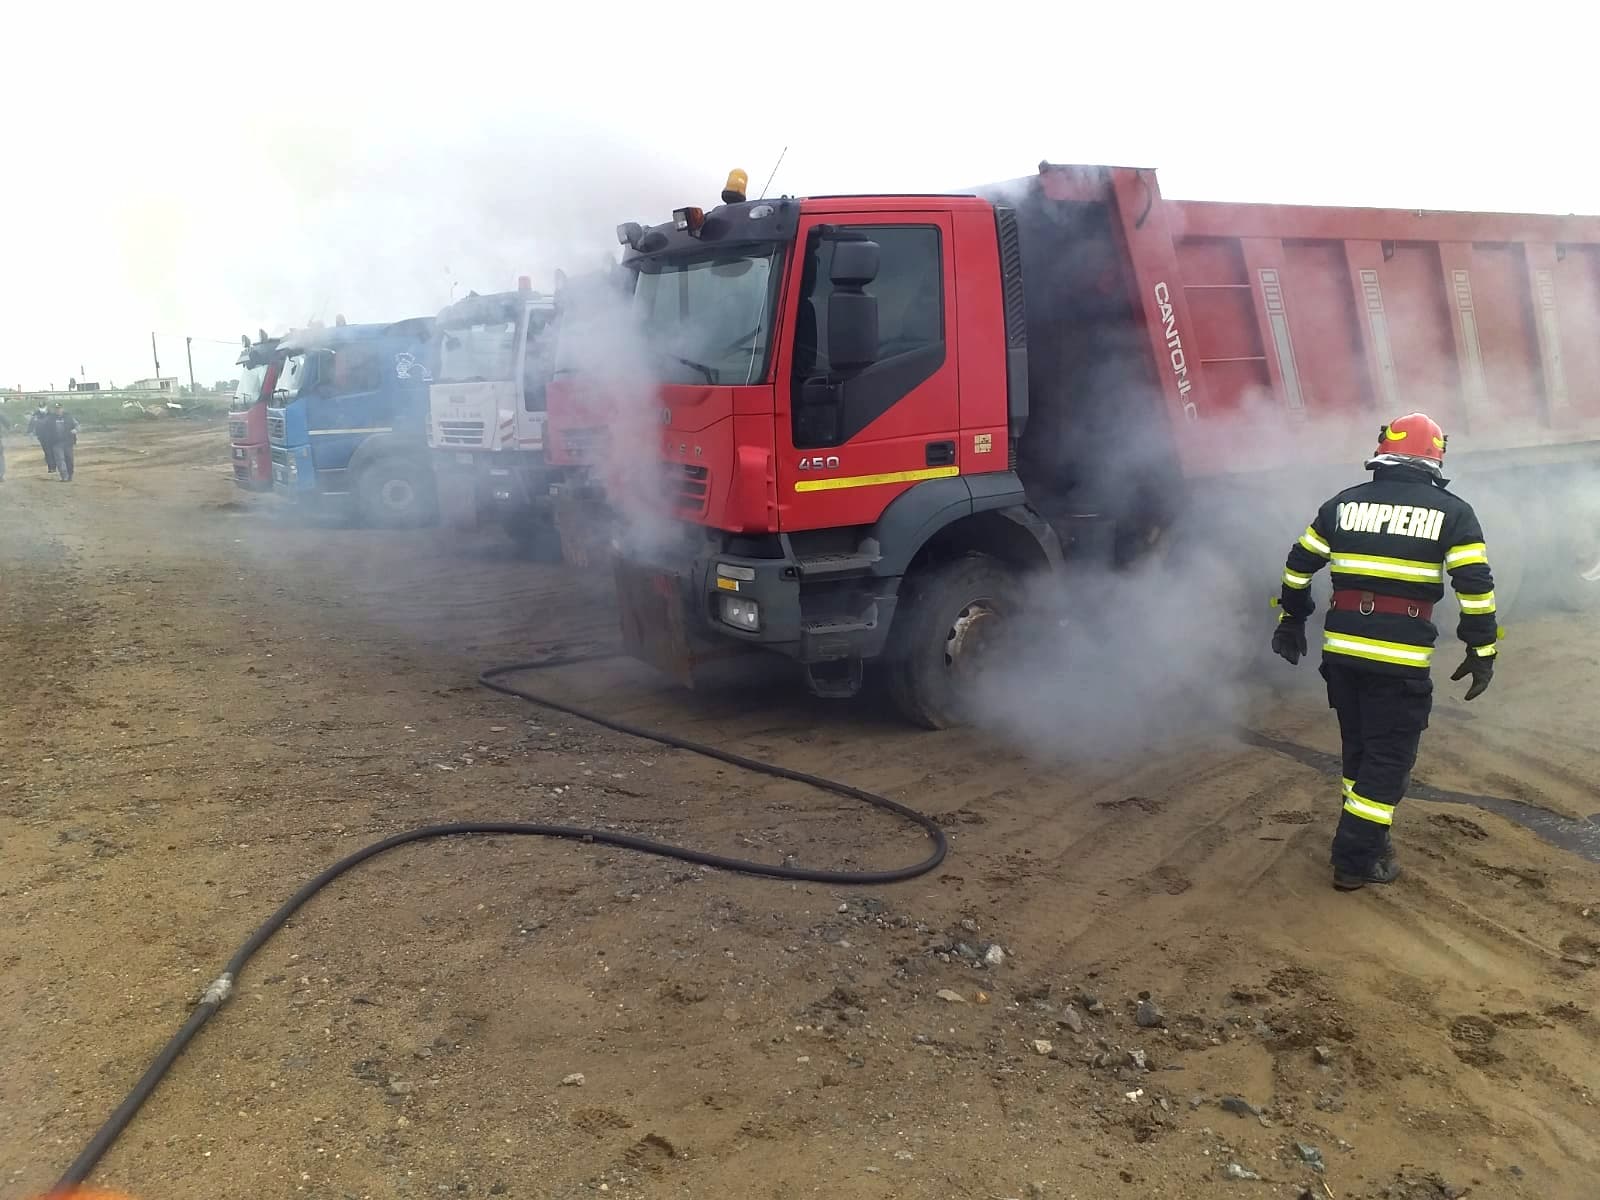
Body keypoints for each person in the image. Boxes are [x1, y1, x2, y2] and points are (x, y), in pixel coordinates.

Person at [1271, 412, 1499, 891]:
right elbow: (1474, 590)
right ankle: (1355, 860)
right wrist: (1482, 650)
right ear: (1435, 457)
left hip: (1342, 656)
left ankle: (1372, 844)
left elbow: (1297, 567)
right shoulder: (1453, 513)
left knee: (1359, 751)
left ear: (1384, 452)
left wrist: (1291, 618)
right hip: (1398, 660)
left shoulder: (1341, 505)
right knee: (1388, 760)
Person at [46, 402, 81, 482]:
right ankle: (64, 476)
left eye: (59, 408)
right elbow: (46, 430)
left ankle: (70, 475)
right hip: (56, 442)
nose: (58, 410)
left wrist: (75, 430)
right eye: (56, 409)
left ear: (62, 408)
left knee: (69, 459)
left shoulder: (69, 417)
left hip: (68, 442)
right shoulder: (50, 418)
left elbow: (77, 425)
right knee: (60, 460)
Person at [27, 404, 57, 474]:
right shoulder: (36, 414)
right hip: (42, 436)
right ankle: (51, 467)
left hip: (52, 436)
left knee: (53, 451)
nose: (42, 408)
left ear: (46, 407)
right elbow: (31, 423)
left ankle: (54, 466)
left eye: (43, 407)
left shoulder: (51, 414)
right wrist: (30, 431)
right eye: (40, 407)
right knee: (47, 452)